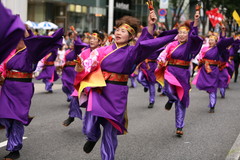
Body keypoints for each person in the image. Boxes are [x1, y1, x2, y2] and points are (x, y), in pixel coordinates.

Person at [74, 10, 178, 159]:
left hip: (117, 94)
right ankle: (92, 137)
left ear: (131, 36)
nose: (119, 33)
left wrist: (150, 25)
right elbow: (87, 65)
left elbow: (145, 44)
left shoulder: (132, 52)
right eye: (118, 30)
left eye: (124, 31)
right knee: (89, 125)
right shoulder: (102, 50)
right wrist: (80, 67)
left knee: (110, 131)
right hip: (99, 90)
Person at [0, 26, 63, 160]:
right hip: (8, 87)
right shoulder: (12, 53)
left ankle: (14, 149)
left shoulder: (31, 52)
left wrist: (22, 28)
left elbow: (32, 41)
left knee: (16, 118)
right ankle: (12, 139)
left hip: (22, 88)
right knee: (5, 116)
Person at [156, 9, 203, 136]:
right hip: (170, 71)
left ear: (188, 34)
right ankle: (171, 100)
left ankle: (179, 126)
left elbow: (194, 35)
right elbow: (163, 54)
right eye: (180, 32)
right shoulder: (171, 45)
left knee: (181, 100)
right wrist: (161, 60)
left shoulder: (189, 46)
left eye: (184, 32)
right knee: (169, 91)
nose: (182, 35)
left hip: (183, 73)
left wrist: (196, 21)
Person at [63, 30, 104, 126]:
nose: (92, 41)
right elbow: (78, 66)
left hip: (96, 81)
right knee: (74, 97)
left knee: (92, 105)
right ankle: (72, 116)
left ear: (100, 41)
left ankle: (90, 125)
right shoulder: (84, 52)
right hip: (84, 79)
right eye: (91, 39)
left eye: (95, 39)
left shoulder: (103, 52)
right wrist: (79, 65)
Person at [192, 28, 234, 113]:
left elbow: (223, 42)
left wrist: (223, 32)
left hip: (214, 70)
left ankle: (212, 105)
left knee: (213, 88)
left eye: (213, 40)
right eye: (210, 40)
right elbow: (200, 56)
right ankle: (211, 95)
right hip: (205, 69)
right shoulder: (204, 48)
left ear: (216, 42)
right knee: (206, 86)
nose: (211, 42)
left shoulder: (218, 48)